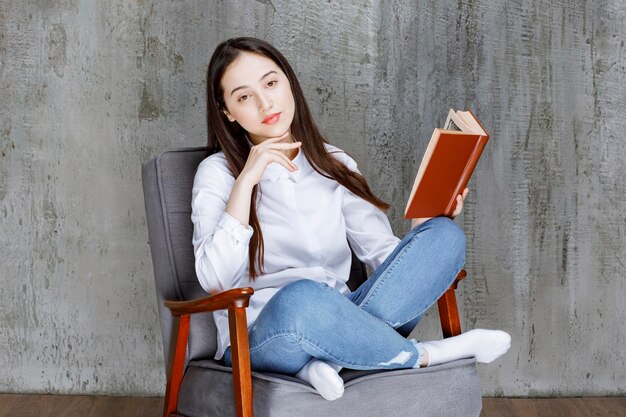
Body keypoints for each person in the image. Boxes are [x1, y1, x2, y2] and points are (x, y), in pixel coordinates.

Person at [191, 36, 511, 401]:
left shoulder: (334, 162)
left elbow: (382, 258)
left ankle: (326, 362)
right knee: (304, 299)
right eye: (244, 96)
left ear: (288, 83)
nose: (265, 102)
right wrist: (247, 180)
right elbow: (214, 280)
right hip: (266, 335)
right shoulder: (217, 173)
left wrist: (423, 229)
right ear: (228, 112)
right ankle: (430, 354)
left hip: (346, 315)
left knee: (445, 236)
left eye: (270, 83)